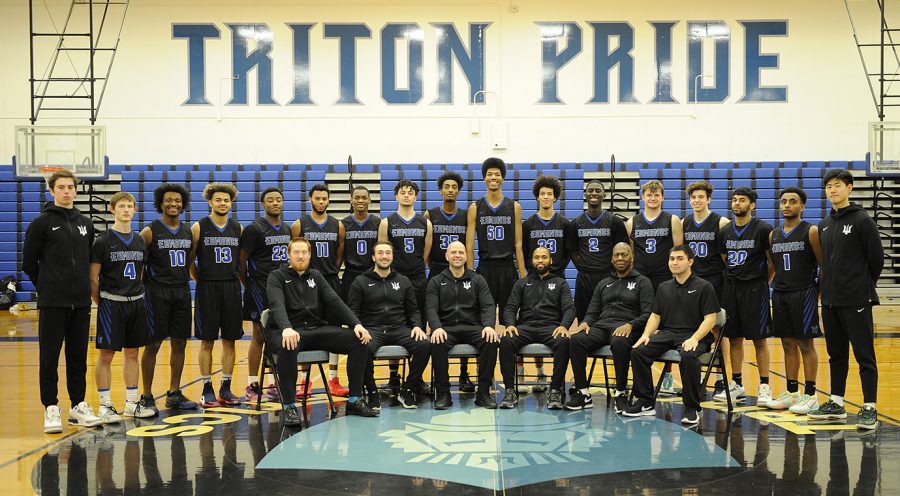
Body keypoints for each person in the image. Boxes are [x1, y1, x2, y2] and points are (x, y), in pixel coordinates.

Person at [265, 237, 378, 426]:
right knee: (288, 345)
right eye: (296, 252)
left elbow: (335, 302)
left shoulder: (316, 276)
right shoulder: (276, 276)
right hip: (288, 331)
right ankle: (290, 406)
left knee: (358, 340)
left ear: (309, 255)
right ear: (288, 255)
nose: (300, 256)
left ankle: (354, 400)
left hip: (315, 328)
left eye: (304, 253)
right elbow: (277, 305)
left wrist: (356, 324)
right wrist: (286, 328)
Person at [23, 170, 102, 432]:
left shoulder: (86, 224)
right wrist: (47, 288)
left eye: (70, 187)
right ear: (52, 191)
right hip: (52, 303)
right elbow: (29, 264)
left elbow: (91, 262)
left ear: (76, 190)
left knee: (78, 357)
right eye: (61, 187)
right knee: (49, 358)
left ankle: (78, 405)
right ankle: (51, 408)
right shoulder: (41, 223)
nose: (66, 191)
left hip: (80, 304)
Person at [808, 169, 884, 430]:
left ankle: (869, 407)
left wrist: (861, 287)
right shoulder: (826, 224)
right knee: (836, 355)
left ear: (849, 188)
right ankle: (836, 403)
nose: (832, 190)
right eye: (829, 186)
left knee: (864, 355)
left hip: (856, 299)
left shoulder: (863, 221)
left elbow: (877, 260)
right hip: (830, 301)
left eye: (837, 185)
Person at [623, 245, 719, 425]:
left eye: (680, 258)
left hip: (693, 335)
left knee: (689, 356)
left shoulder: (704, 286)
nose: (675, 262)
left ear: (690, 261)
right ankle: (645, 402)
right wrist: (645, 334)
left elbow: (711, 319)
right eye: (672, 259)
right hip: (668, 334)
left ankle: (691, 407)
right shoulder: (663, 287)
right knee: (638, 351)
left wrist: (695, 338)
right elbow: (655, 316)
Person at [566, 242, 653, 412]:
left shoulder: (643, 282)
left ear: (632, 257)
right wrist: (585, 322)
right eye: (617, 255)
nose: (620, 258)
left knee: (619, 342)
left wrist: (631, 325)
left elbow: (648, 313)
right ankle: (583, 393)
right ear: (612, 259)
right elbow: (592, 311)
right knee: (576, 340)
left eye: (624, 254)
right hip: (602, 326)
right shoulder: (603, 283)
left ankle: (620, 392)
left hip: (628, 327)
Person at [90, 191, 153, 422]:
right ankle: (105, 405)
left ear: (135, 210)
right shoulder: (102, 241)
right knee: (106, 355)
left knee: (133, 354)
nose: (126, 210)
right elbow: (93, 278)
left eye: (130, 206)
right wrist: (103, 302)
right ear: (112, 210)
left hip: (136, 303)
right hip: (111, 303)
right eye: (122, 206)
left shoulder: (139, 241)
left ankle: (132, 403)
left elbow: (142, 273)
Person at [348, 241, 430, 410]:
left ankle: (406, 390)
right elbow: (353, 312)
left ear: (393, 257)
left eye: (387, 253)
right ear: (373, 257)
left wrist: (416, 326)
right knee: (362, 349)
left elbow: (413, 310)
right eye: (380, 253)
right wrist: (359, 327)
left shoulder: (403, 281)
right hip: (372, 330)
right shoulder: (360, 282)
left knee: (424, 345)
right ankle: (372, 393)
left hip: (399, 329)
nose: (384, 256)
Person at [139, 184, 198, 414]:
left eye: (177, 201)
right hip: (156, 292)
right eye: (168, 201)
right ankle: (146, 395)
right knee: (152, 344)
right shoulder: (150, 231)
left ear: (183, 203)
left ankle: (174, 393)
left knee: (180, 343)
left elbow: (190, 261)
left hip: (181, 292)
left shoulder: (187, 232)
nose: (173, 204)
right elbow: (141, 265)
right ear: (160, 204)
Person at [764, 187, 822, 414]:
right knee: (787, 343)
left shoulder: (811, 231)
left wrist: (816, 293)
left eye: (793, 201)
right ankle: (791, 392)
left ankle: (811, 394)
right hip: (780, 294)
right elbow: (773, 266)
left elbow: (822, 264)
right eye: (784, 201)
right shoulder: (773, 235)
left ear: (802, 206)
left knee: (805, 343)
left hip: (804, 291)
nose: (787, 205)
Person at [714, 187, 775, 405]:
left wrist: (760, 283)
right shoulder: (725, 231)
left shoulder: (762, 229)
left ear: (752, 205)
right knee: (734, 338)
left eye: (742, 200)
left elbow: (772, 262)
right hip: (731, 289)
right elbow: (724, 258)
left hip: (755, 289)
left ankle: (765, 385)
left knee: (759, 339)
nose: (737, 203)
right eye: (735, 200)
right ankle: (737, 384)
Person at [498, 247, 574, 409]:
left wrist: (564, 326)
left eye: (544, 257)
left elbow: (569, 308)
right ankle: (510, 391)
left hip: (551, 328)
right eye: (537, 257)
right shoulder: (522, 283)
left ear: (550, 261)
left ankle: (554, 391)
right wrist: (510, 324)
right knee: (506, 340)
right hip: (526, 327)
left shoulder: (560, 283)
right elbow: (510, 307)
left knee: (564, 341)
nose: (540, 260)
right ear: (531, 261)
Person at [427, 241, 500, 409]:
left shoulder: (478, 279)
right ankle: (443, 393)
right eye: (453, 252)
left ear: (466, 256)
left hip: (473, 327)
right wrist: (436, 327)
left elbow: (488, 305)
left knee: (491, 340)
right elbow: (431, 307)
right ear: (447, 256)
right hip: (447, 328)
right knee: (436, 341)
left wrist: (489, 325)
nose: (457, 255)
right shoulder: (436, 281)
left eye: (461, 252)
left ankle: (483, 393)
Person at [189, 183, 243, 408]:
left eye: (226, 200)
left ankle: (226, 387)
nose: (223, 203)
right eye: (218, 200)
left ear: (231, 203)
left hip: (231, 287)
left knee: (230, 340)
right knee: (207, 341)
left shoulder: (237, 227)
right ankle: (206, 388)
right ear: (210, 202)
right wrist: (199, 280)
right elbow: (190, 260)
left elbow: (241, 262)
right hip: (208, 288)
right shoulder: (199, 227)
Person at [627, 180, 683, 394]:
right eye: (649, 195)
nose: (652, 198)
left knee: (666, 327)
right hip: (641, 280)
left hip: (665, 279)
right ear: (642, 197)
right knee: (642, 325)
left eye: (656, 194)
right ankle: (643, 375)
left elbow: (679, 252)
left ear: (662, 197)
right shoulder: (633, 222)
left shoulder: (672, 220)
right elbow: (631, 254)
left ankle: (667, 375)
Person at [293, 183, 348, 397]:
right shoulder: (300, 224)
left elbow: (339, 253)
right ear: (310, 199)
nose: (321, 202)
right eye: (317, 198)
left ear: (328, 200)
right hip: (306, 283)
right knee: (306, 328)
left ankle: (333, 378)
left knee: (334, 328)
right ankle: (304, 381)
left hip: (331, 281)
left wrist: (330, 271)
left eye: (324, 198)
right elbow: (297, 252)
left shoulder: (337, 225)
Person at [379, 179, 433, 393]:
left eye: (411, 192)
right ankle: (394, 376)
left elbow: (425, 253)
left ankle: (416, 378)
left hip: (419, 279)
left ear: (415, 197)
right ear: (396, 196)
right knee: (395, 324)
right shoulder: (387, 222)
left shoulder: (425, 223)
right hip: (394, 280)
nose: (407, 195)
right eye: (403, 192)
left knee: (417, 328)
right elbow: (383, 251)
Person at [425, 172, 476, 393]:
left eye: (454, 187)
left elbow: (468, 245)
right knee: (438, 321)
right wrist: (432, 266)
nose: (450, 190)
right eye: (447, 186)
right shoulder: (430, 214)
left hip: (460, 269)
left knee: (465, 316)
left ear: (459, 190)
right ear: (440, 190)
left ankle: (464, 374)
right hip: (438, 269)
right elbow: (426, 246)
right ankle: (439, 378)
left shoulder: (464, 215)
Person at [239, 187, 291, 402]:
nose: (275, 203)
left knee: (277, 335)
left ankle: (272, 383)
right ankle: (252, 383)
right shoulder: (254, 229)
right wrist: (249, 284)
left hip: (281, 287)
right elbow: (241, 261)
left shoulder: (287, 228)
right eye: (270, 200)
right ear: (263, 204)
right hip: (259, 287)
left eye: (278, 199)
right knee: (259, 335)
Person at [681, 180, 730, 392]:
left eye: (701, 197)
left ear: (709, 199)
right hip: (693, 283)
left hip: (715, 281)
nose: (697, 200)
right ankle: (696, 379)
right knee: (694, 328)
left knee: (718, 329)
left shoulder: (721, 222)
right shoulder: (685, 223)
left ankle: (721, 378)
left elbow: (727, 257)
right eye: (693, 197)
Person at [570, 180, 628, 322]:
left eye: (597, 191)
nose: (594, 193)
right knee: (583, 318)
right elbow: (573, 251)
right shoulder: (576, 223)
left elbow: (624, 248)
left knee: (608, 316)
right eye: (590, 190)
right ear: (585, 194)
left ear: (604, 195)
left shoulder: (615, 222)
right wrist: (584, 267)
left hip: (608, 275)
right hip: (584, 277)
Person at [340, 185, 380, 301]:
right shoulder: (343, 224)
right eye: (357, 197)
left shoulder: (378, 223)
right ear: (351, 200)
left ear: (370, 200)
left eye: (364, 197)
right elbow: (340, 253)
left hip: (372, 273)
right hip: (350, 274)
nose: (361, 200)